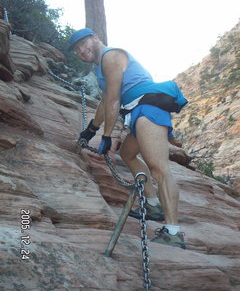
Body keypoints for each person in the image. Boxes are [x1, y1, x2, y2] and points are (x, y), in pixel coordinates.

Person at [68, 28, 188, 249]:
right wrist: (91, 129)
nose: (80, 51)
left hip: (148, 108)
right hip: (138, 111)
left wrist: (106, 136)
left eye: (83, 44)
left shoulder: (110, 56)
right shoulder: (102, 69)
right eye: (76, 50)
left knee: (159, 169)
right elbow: (105, 102)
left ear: (96, 39)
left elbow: (114, 102)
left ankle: (173, 232)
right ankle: (153, 204)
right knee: (128, 154)